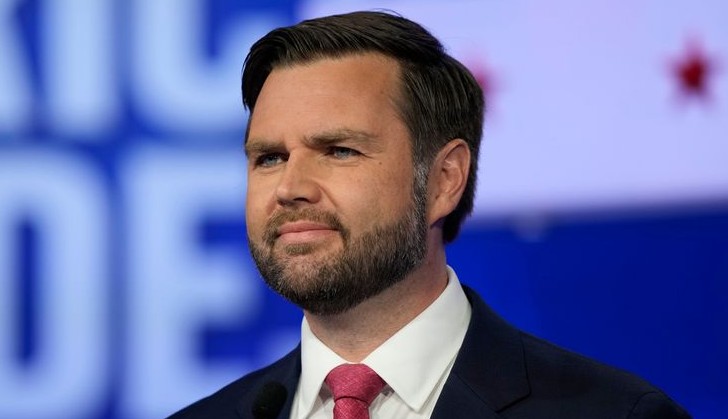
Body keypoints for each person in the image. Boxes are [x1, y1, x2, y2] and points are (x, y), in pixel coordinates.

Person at [169, 10, 690, 419]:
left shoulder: (616, 413)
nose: (290, 188)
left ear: (444, 179)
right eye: (269, 158)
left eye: (339, 150)